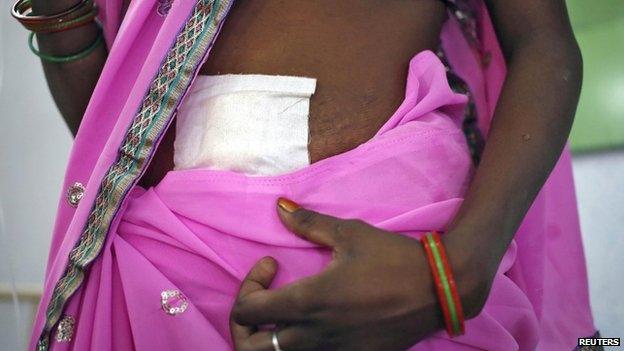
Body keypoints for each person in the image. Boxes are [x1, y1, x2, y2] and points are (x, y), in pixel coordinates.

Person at [14, 0, 598, 350]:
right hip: (160, 277)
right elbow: (117, 143)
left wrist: (459, 274)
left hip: (387, 270)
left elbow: (543, 42)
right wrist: (56, 13)